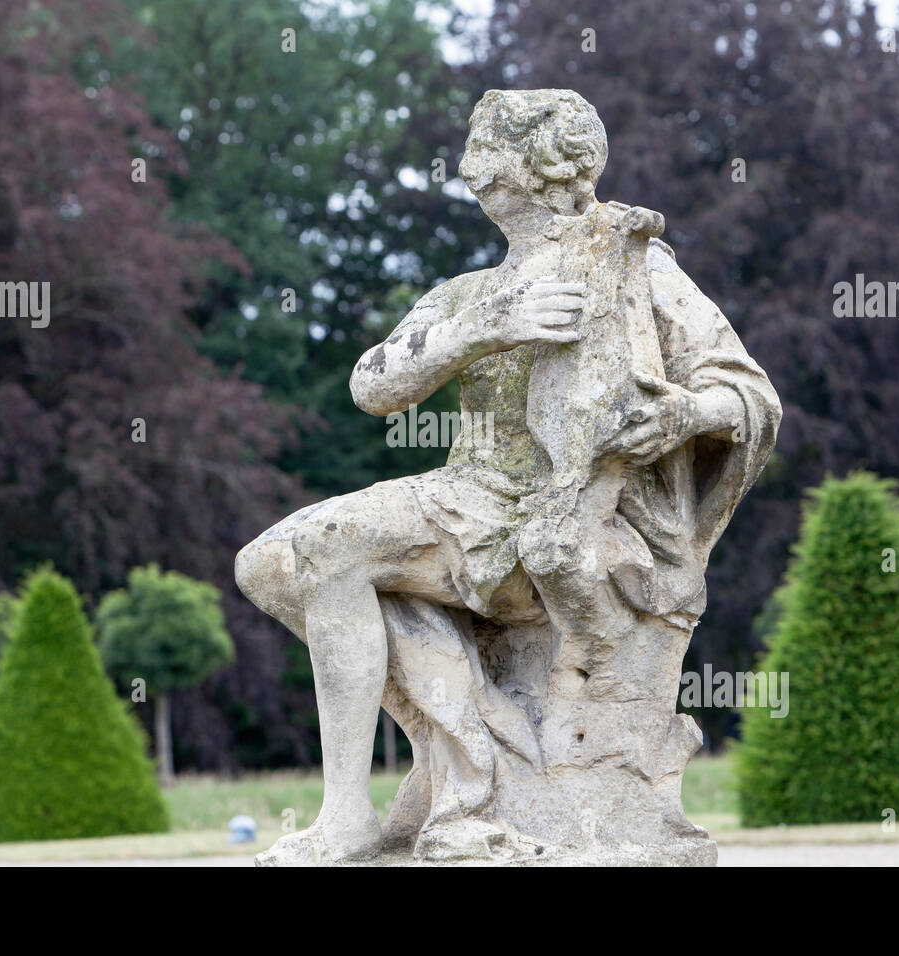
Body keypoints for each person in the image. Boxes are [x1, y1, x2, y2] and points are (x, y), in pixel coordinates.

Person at [235, 89, 780, 863]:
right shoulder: (467, 291)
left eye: (485, 144)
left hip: (573, 517)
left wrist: (683, 413)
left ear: (542, 163)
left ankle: (364, 811)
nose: (467, 163)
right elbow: (373, 386)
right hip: (469, 500)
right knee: (264, 563)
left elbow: (747, 392)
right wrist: (486, 325)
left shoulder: (631, 263)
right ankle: (456, 748)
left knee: (328, 550)